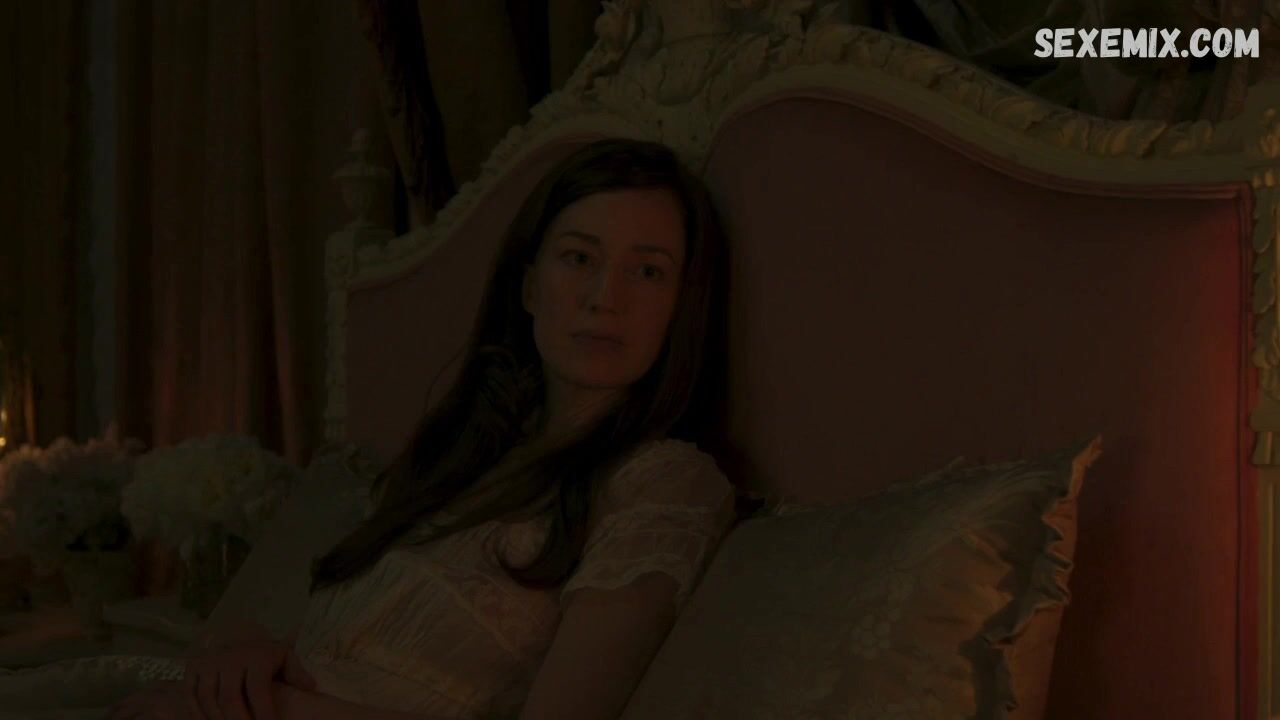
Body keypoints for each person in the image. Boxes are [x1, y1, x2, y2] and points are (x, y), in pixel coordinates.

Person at [0, 137, 739, 719]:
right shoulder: (461, 453)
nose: (605, 297)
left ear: (682, 306)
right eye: (579, 258)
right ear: (528, 285)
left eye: (648, 271)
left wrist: (269, 709)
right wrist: (252, 656)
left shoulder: (662, 482)